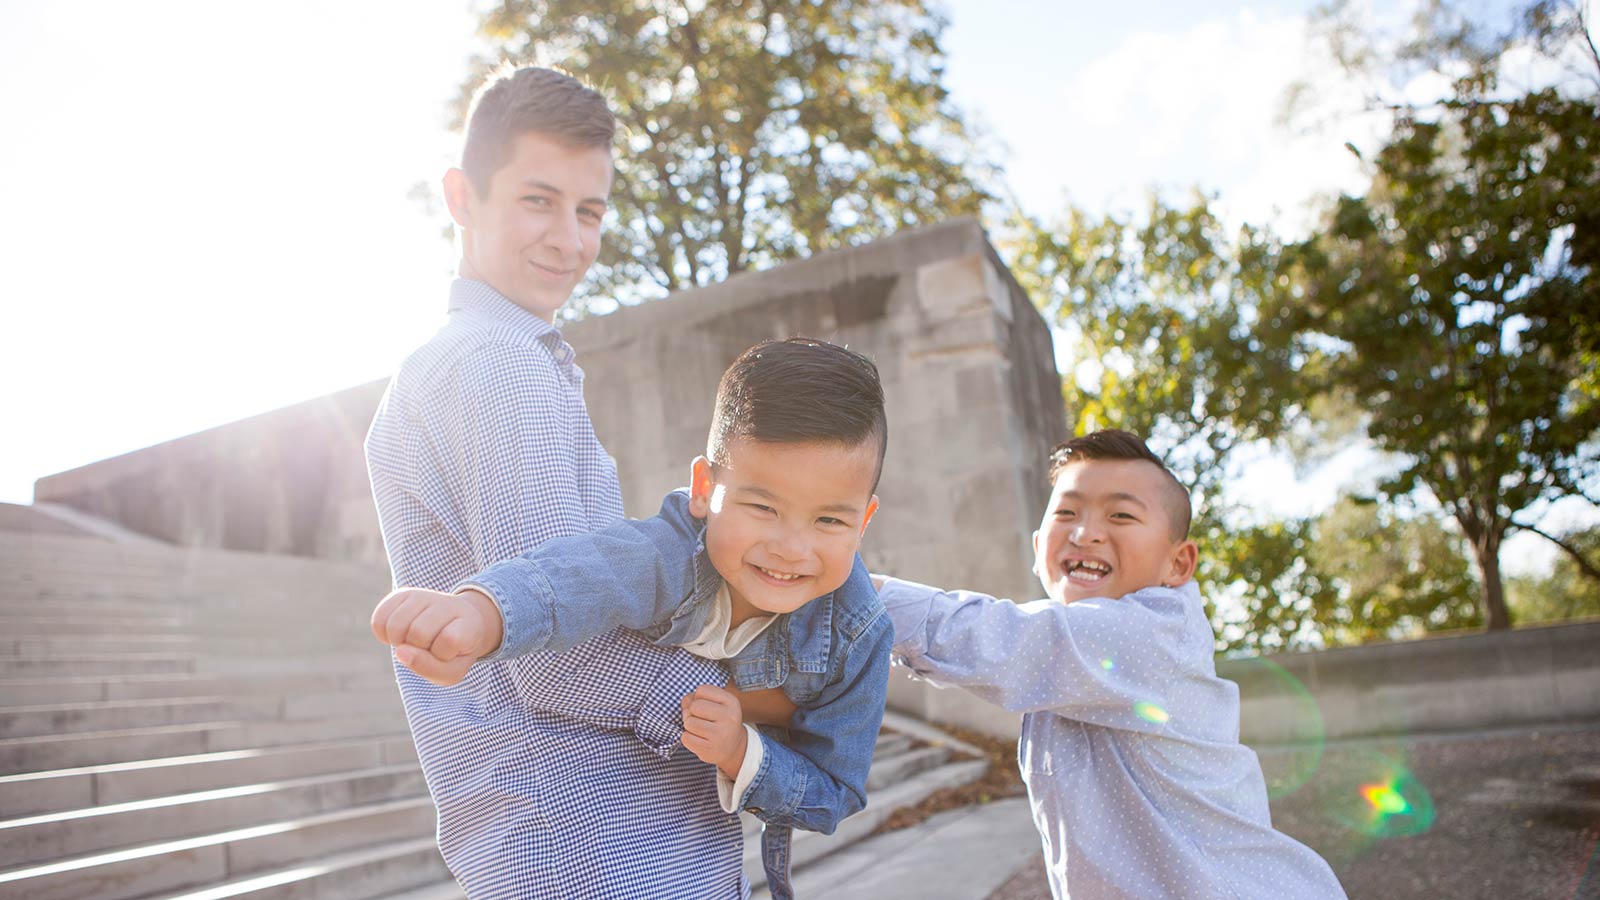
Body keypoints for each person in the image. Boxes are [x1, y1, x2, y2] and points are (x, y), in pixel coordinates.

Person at [364, 64, 782, 899]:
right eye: (537, 200)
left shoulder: (490, 363)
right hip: (597, 848)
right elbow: (559, 655)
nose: (570, 239)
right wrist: (759, 699)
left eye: (589, 211)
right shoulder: (496, 363)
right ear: (461, 197)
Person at [372, 338, 894, 900]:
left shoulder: (857, 634)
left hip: (711, 847)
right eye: (762, 507)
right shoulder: (668, 553)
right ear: (705, 490)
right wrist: (481, 614)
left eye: (829, 521)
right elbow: (579, 576)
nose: (792, 548)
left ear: (863, 521)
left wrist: (742, 752)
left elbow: (835, 790)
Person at [879, 429, 1348, 899]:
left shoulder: (1151, 631)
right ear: (1038, 549)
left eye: (1121, 515)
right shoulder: (1075, 654)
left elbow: (999, 640)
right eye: (1067, 512)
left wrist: (855, 592)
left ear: (1178, 565)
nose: (1086, 533)